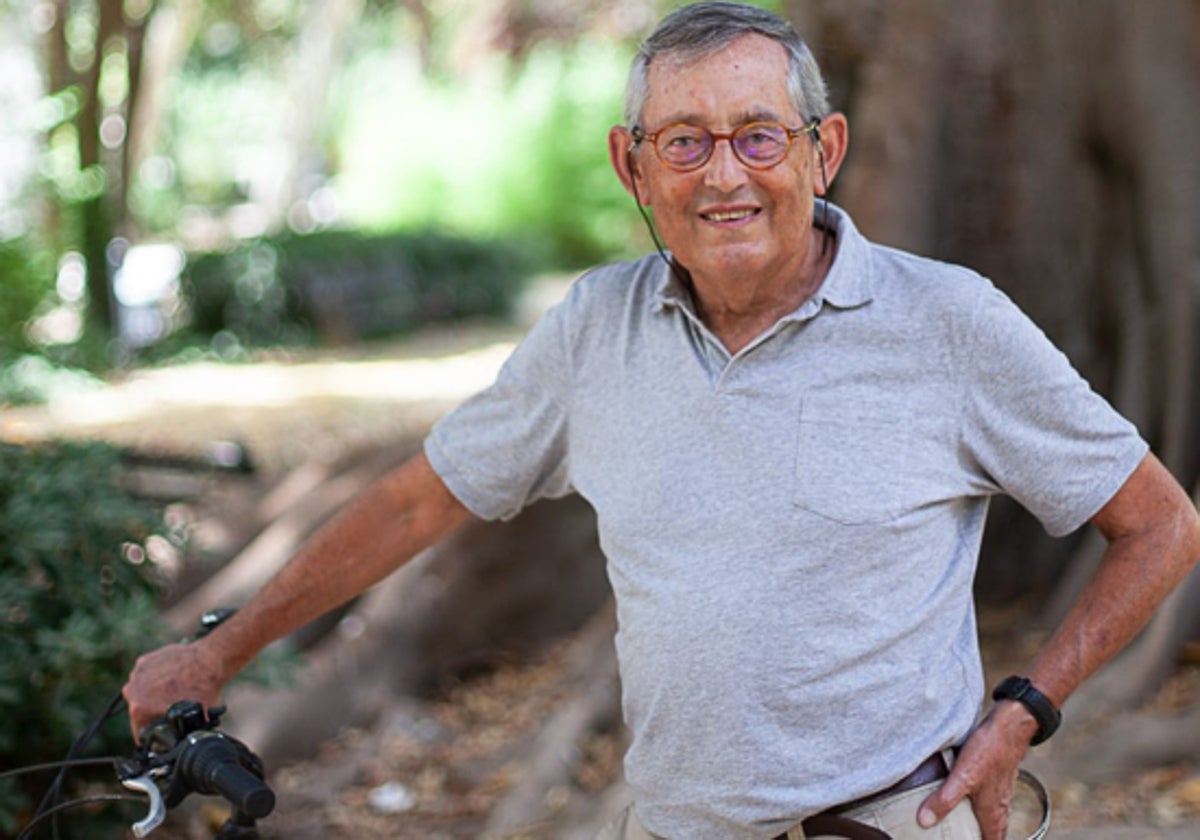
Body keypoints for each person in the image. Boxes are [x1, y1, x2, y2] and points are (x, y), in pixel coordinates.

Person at [124, 3, 1200, 839]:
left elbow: (1160, 525)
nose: (723, 174)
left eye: (756, 136)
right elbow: (420, 498)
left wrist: (1023, 713)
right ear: (630, 165)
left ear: (822, 151)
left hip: (891, 822)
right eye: (683, 142)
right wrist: (224, 654)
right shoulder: (595, 328)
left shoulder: (948, 322)